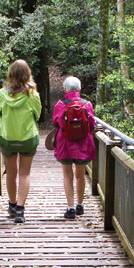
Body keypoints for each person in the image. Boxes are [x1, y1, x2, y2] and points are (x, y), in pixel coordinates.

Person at [0, 59, 42, 223]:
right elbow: (38, 115)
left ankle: (12, 205)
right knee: (24, 173)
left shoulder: (1, 94)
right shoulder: (33, 95)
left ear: (10, 74)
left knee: (11, 172)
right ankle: (21, 210)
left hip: (7, 138)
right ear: (27, 74)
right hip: (28, 139)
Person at [53, 76, 95, 219]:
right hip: (83, 145)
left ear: (64, 89)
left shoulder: (60, 104)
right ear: (80, 89)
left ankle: (70, 208)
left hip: (65, 145)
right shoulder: (87, 104)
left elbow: (56, 123)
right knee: (80, 175)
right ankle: (80, 205)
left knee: (67, 175)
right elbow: (92, 125)